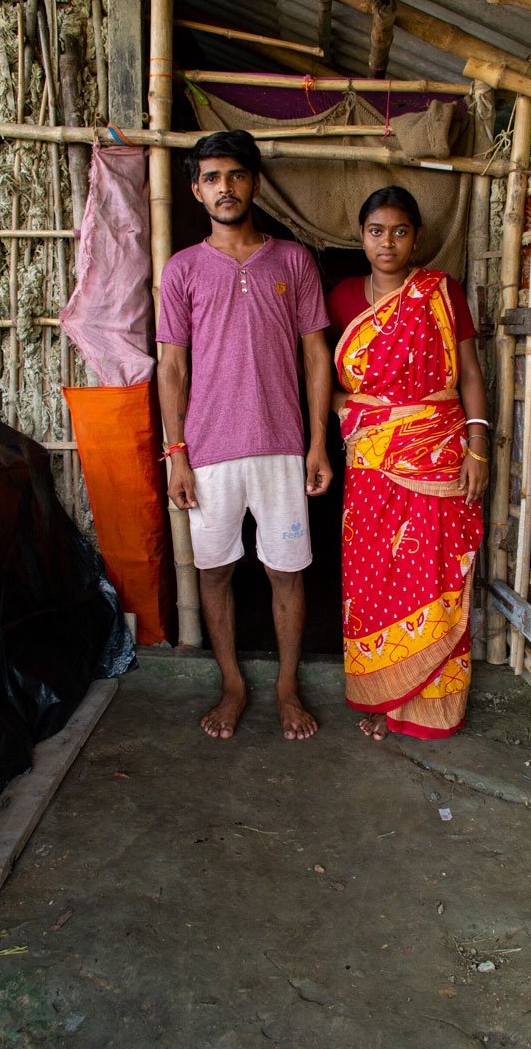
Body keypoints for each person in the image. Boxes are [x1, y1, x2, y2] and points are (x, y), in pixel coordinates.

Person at [157, 130, 333, 741]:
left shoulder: (292, 260)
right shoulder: (181, 271)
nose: (223, 188)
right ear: (195, 190)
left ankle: (287, 687)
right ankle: (232, 683)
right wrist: (176, 454)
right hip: (207, 454)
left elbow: (317, 357)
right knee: (215, 572)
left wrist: (317, 443)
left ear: (254, 182)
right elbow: (172, 367)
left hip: (283, 448)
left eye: (234, 175)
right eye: (210, 178)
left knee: (287, 572)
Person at [327, 186, 487, 740]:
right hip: (372, 462)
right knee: (374, 579)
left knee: (434, 574)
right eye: (376, 231)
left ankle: (428, 706)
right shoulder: (343, 296)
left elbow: (468, 373)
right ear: (361, 237)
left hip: (441, 453)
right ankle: (383, 697)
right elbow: (321, 376)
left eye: (399, 231)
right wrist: (341, 407)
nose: (387, 242)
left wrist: (478, 445)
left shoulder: (442, 292)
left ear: (417, 237)